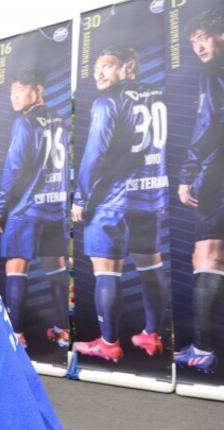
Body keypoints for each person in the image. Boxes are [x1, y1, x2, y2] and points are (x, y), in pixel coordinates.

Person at [72, 45, 170, 362]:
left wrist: (81, 197)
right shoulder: (157, 95)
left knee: (107, 271)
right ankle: (152, 336)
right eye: (96, 67)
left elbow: (94, 154)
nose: (99, 73)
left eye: (108, 66)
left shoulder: (107, 101)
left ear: (128, 67)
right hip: (150, 193)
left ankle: (109, 343)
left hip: (113, 198)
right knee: (150, 264)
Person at [0, 68, 70, 349]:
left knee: (16, 268)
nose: (14, 96)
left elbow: (15, 168)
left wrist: (1, 207)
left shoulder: (24, 122)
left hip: (27, 208)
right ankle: (63, 330)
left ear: (39, 89)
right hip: (55, 207)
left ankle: (17, 334)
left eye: (21, 90)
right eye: (12, 91)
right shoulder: (59, 119)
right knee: (56, 268)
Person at [174, 9, 224, 373]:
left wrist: (188, 172)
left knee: (207, 255)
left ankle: (204, 348)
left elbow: (211, 123)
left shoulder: (213, 73)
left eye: (203, 36)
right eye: (192, 42)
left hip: (218, 172)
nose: (198, 46)